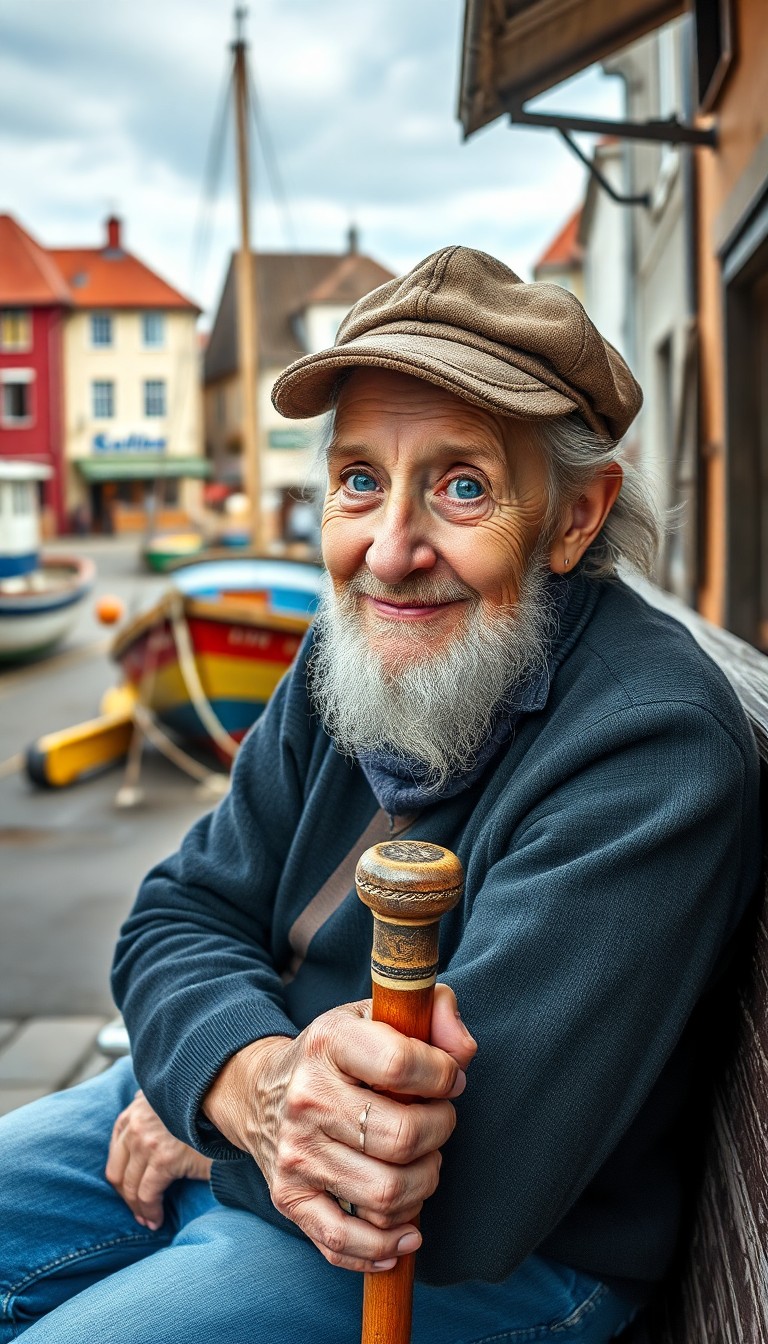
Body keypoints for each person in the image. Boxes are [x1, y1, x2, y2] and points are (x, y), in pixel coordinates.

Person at [0, 247, 761, 1344]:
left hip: (495, 1260)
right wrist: (239, 1082)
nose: (391, 551)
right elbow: (177, 915)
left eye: (462, 486)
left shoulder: (652, 745)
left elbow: (471, 1192)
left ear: (578, 515)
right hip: (269, 1125)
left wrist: (208, 1108)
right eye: (359, 479)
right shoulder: (342, 653)